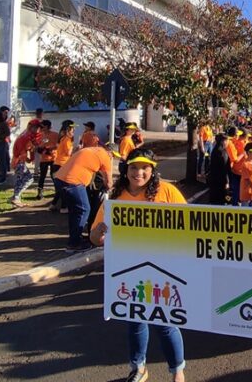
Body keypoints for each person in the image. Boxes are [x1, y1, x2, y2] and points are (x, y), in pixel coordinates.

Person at [89, 149, 187, 382]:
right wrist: (99, 232)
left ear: (152, 171)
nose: (139, 173)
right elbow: (94, 238)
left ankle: (177, 371)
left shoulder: (167, 191)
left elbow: (190, 225)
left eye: (145, 168)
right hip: (130, 271)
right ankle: (138, 368)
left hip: (165, 269)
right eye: (134, 167)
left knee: (165, 324)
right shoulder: (115, 198)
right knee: (135, 322)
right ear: (126, 170)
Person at [54, 142, 114, 252]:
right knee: (84, 210)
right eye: (113, 156)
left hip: (60, 179)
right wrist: (110, 189)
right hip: (73, 183)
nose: (112, 158)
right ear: (110, 152)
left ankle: (75, 238)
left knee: (75, 212)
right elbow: (109, 182)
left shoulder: (90, 149)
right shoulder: (105, 156)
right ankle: (74, 244)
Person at [10, 119, 41, 207]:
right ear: (32, 127)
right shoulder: (26, 137)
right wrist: (29, 158)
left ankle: (16, 198)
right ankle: (15, 197)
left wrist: (30, 157)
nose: (38, 130)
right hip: (19, 162)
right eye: (37, 128)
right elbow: (21, 152)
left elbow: (25, 150)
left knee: (20, 180)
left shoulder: (26, 136)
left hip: (18, 161)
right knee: (28, 179)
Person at [50, 120, 76, 212]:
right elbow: (68, 152)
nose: (74, 131)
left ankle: (53, 204)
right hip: (62, 165)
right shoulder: (67, 140)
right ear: (68, 130)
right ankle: (64, 207)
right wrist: (75, 147)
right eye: (72, 130)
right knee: (65, 187)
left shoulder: (62, 138)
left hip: (57, 165)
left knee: (60, 188)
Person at [206, 134, 231, 205]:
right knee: (222, 200)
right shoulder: (222, 152)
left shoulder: (215, 149)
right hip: (220, 181)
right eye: (227, 141)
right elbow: (225, 168)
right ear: (223, 141)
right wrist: (227, 181)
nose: (228, 142)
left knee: (215, 200)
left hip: (214, 179)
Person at [37, 120, 58, 199]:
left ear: (47, 126)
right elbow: (39, 146)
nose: (41, 128)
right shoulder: (40, 135)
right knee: (42, 176)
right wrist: (40, 149)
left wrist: (49, 148)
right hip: (44, 158)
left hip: (53, 158)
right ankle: (39, 193)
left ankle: (57, 191)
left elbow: (58, 145)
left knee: (53, 175)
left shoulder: (55, 134)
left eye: (43, 126)